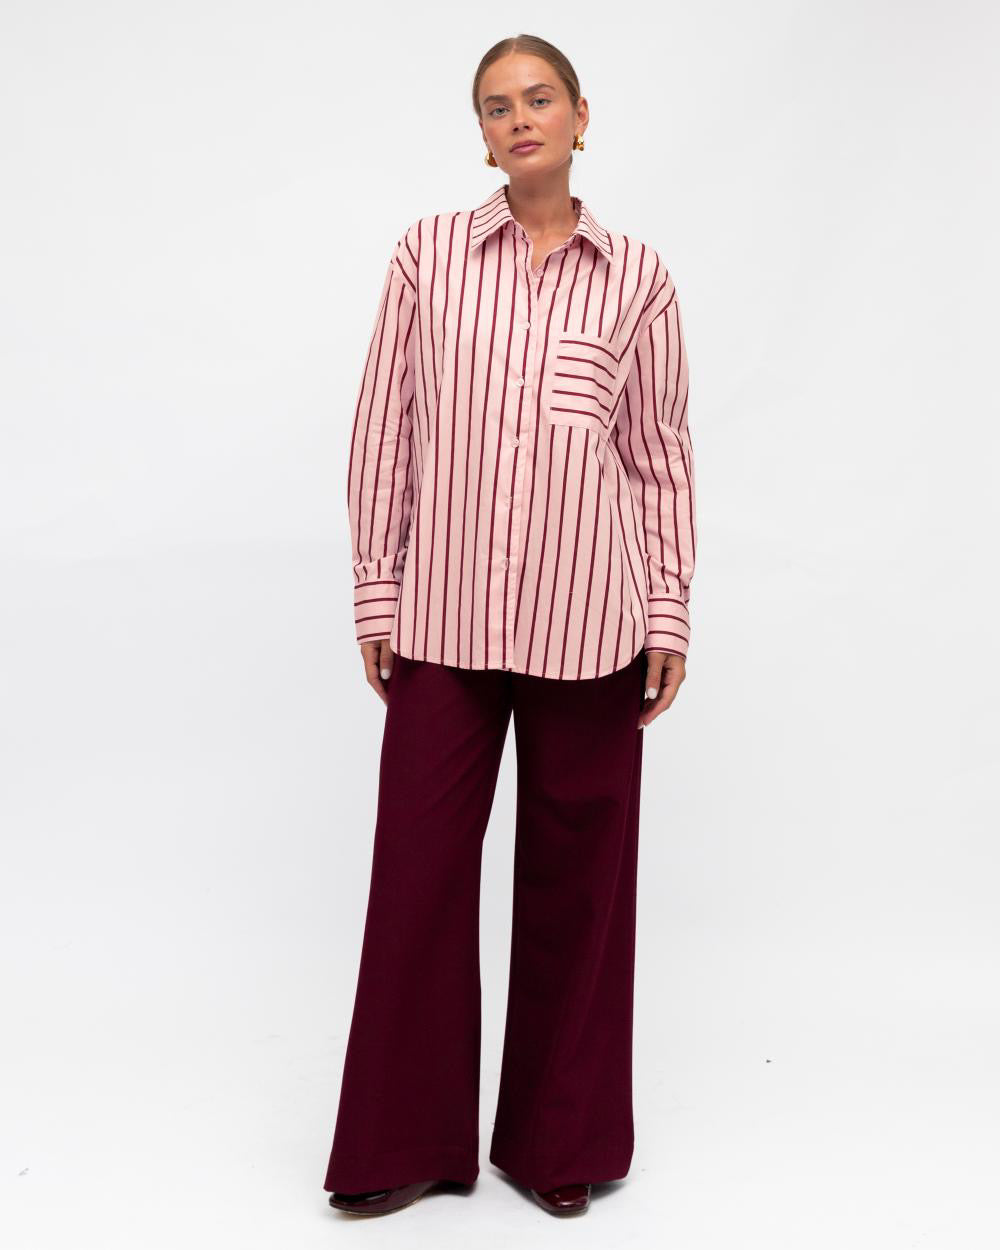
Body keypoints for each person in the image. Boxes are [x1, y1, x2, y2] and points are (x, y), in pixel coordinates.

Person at [323, 32, 697, 1219]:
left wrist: (668, 606)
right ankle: (403, 1142)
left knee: (581, 884)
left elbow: (658, 455)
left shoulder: (637, 278)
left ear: (581, 117)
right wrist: (377, 587)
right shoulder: (427, 256)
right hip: (442, 617)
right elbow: (384, 428)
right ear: (481, 136)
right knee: (418, 873)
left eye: (539, 98)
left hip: (591, 621)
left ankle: (557, 1140)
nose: (519, 117)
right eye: (496, 106)